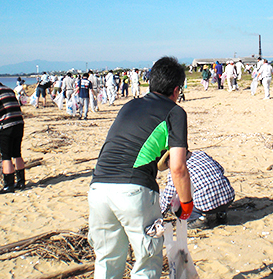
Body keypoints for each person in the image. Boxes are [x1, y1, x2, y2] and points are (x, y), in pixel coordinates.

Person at [88, 56, 192, 279]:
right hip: (134, 191)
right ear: (176, 89)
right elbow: (178, 167)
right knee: (147, 261)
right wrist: (186, 204)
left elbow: (138, 148)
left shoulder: (130, 105)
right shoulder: (175, 112)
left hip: (98, 188)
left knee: (107, 260)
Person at [159, 150, 235, 230]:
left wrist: (161, 213)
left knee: (176, 203)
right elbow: (221, 169)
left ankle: (200, 219)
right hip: (228, 198)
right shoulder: (200, 154)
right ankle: (221, 213)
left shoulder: (176, 171)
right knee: (212, 188)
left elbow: (169, 195)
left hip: (206, 205)